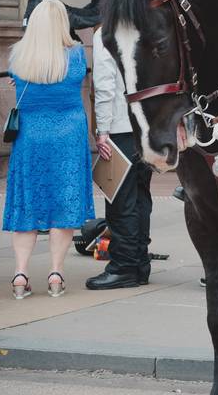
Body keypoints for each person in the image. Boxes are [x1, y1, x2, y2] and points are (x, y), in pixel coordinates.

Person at [3, 0, 95, 298]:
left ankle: (20, 274)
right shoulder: (76, 56)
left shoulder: (18, 56)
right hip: (67, 136)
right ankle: (56, 273)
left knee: (27, 205)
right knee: (63, 204)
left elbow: (19, 83)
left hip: (30, 137)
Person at [86, 28, 155, 289]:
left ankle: (124, 266)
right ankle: (139, 264)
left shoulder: (108, 32)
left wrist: (102, 129)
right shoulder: (144, 26)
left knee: (120, 201)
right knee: (140, 197)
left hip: (119, 127)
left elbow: (105, 86)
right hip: (145, 126)